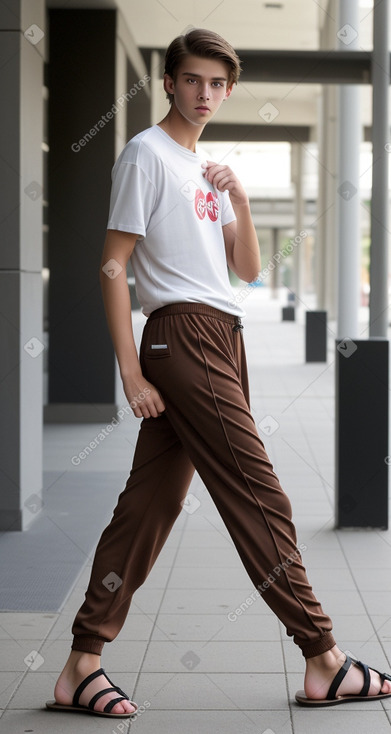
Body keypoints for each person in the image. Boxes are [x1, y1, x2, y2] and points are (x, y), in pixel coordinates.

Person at [46, 28, 391, 719]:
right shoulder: (146, 155)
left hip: (220, 335)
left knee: (151, 505)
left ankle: (80, 665)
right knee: (260, 494)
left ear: (227, 90)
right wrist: (130, 372)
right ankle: (323, 657)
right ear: (169, 82)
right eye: (193, 80)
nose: (205, 94)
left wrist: (235, 199)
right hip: (183, 339)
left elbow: (248, 272)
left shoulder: (202, 166)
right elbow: (113, 267)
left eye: (217, 84)